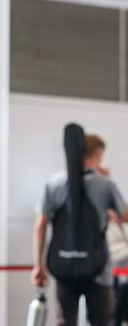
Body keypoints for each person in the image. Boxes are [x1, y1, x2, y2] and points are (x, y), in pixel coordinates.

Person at [31, 134, 128, 326]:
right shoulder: (104, 185)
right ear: (98, 154)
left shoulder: (54, 183)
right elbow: (125, 216)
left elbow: (40, 225)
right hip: (98, 270)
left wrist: (38, 265)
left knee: (66, 321)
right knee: (101, 321)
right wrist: (108, 181)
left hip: (64, 267)